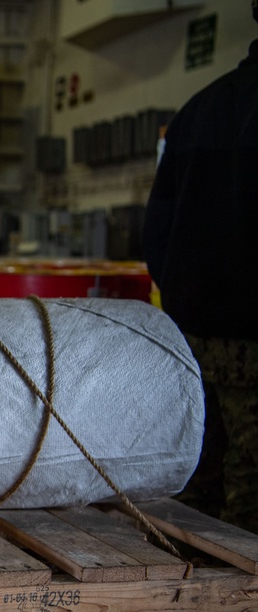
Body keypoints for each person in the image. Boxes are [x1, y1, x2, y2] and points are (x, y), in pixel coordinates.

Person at [143, 3, 258, 534]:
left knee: (195, 495)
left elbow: (156, 237)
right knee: (250, 504)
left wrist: (191, 304)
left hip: (192, 347)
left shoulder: (196, 111)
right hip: (250, 340)